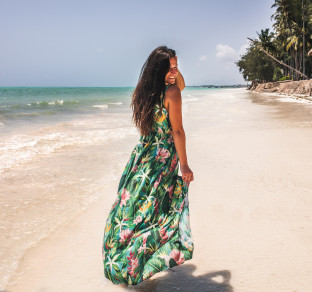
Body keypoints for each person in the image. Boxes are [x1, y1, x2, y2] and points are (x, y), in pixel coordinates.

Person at [102, 46, 194, 286]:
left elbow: (179, 83)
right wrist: (184, 165)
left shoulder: (145, 91)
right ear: (160, 69)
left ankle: (124, 261)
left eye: (177, 66)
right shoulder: (171, 92)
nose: (175, 71)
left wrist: (173, 69)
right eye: (170, 67)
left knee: (134, 208)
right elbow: (177, 130)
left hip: (142, 156)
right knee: (158, 212)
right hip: (163, 158)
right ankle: (139, 261)